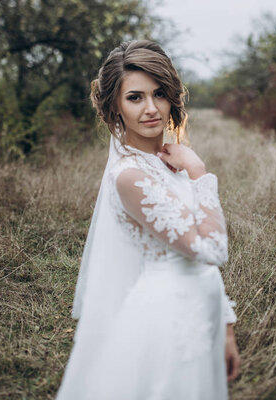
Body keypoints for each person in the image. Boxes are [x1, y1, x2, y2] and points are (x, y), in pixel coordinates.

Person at [56, 40, 240, 400]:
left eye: (159, 94)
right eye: (135, 97)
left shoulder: (168, 162)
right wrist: (200, 173)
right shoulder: (130, 177)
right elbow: (212, 248)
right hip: (169, 320)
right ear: (115, 106)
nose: (151, 108)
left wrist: (226, 327)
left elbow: (197, 259)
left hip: (202, 311)